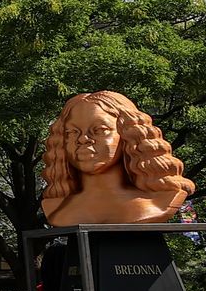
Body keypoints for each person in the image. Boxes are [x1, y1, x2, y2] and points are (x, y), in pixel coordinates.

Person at [40, 90, 193, 227]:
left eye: (99, 130)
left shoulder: (160, 203)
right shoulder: (56, 209)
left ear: (130, 135)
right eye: (72, 132)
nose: (83, 139)